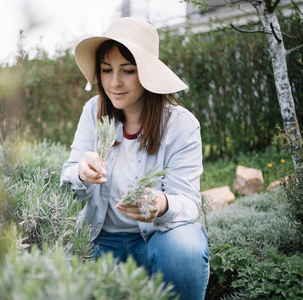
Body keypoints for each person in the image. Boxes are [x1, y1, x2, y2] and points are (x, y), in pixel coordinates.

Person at [60, 17, 209, 299]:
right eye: (106, 70)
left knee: (184, 248)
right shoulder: (93, 111)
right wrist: (81, 173)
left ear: (148, 73)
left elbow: (189, 203)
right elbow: (68, 183)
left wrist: (162, 204)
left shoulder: (181, 125)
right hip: (100, 243)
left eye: (127, 70)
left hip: (155, 239)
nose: (114, 82)